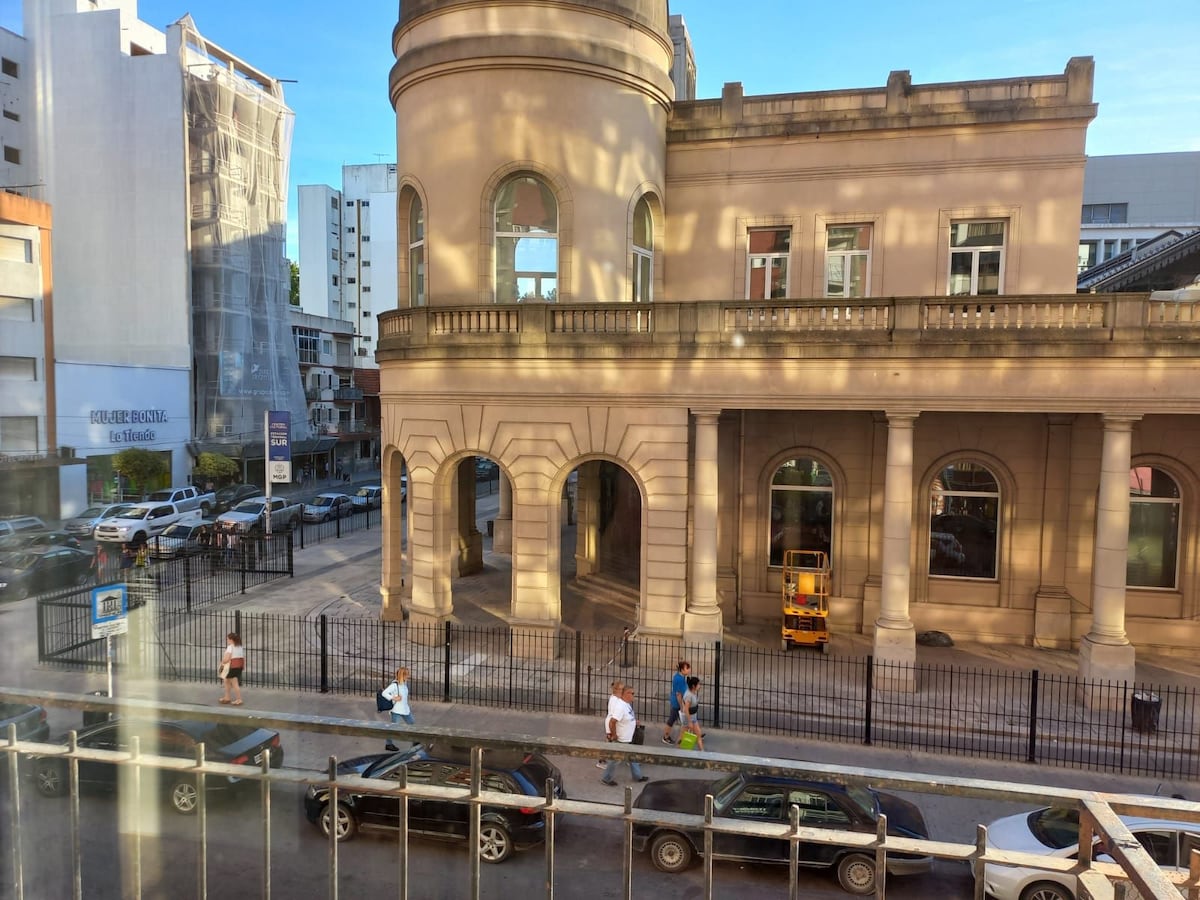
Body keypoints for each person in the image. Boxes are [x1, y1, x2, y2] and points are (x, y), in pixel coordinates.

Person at [601, 685, 648, 786]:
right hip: (622, 739)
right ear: (626, 694)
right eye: (632, 693)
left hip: (627, 738)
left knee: (632, 757)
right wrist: (614, 735)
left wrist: (634, 722)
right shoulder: (621, 707)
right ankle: (606, 778)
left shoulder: (626, 704)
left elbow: (627, 718)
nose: (633, 695)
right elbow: (612, 721)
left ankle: (637, 776)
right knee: (615, 760)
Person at [381, 666, 414, 751]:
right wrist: (394, 698)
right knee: (394, 728)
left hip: (405, 710)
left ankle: (416, 741)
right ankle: (388, 744)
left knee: (412, 724)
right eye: (407, 674)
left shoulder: (404, 683)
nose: (409, 676)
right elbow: (384, 693)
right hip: (397, 711)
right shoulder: (394, 685)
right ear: (403, 675)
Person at [661, 660, 691, 744]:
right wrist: (682, 706)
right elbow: (678, 694)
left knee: (686, 719)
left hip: (679, 702)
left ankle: (696, 733)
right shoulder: (679, 679)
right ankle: (666, 737)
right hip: (677, 703)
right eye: (687, 668)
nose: (689, 669)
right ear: (682, 670)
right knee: (672, 719)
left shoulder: (680, 677)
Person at [597, 679, 624, 769]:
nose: (622, 691)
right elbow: (615, 715)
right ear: (615, 690)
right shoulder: (615, 700)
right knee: (609, 743)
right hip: (611, 725)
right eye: (621, 689)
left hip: (611, 724)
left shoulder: (615, 698)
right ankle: (601, 761)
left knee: (610, 743)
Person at [218, 632, 245, 705]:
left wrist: (222, 661)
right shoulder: (240, 647)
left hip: (231, 667)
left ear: (232, 640)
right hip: (238, 667)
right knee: (226, 681)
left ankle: (239, 699)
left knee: (234, 683)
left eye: (228, 639)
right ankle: (227, 697)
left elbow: (227, 659)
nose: (227, 640)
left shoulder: (230, 647)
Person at [682, 675, 704, 751]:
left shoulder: (693, 692)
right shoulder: (689, 695)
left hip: (693, 718)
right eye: (698, 684)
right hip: (690, 719)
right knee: (682, 737)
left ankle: (703, 753)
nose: (699, 686)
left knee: (698, 735)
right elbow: (686, 709)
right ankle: (678, 754)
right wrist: (689, 722)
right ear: (694, 686)